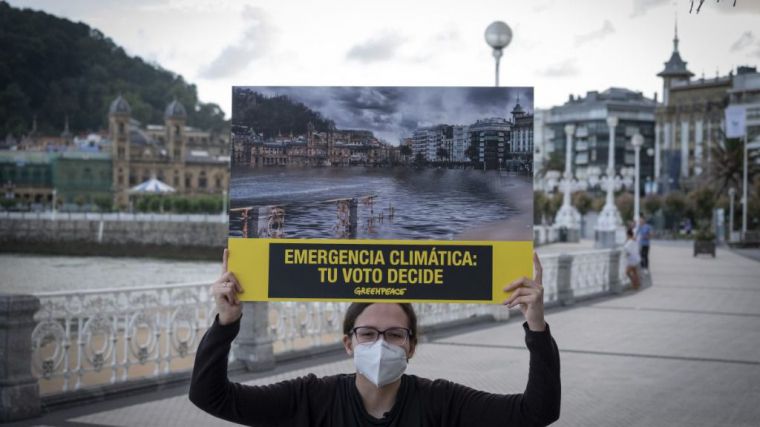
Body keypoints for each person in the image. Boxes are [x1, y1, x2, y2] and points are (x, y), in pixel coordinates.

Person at [189, 250, 561, 426]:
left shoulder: (441, 402)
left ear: (412, 345)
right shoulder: (310, 399)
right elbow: (210, 397)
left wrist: (537, 327)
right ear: (348, 342)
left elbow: (537, 412)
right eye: (367, 333)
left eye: (395, 334)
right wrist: (226, 322)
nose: (381, 344)